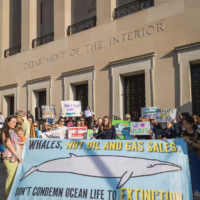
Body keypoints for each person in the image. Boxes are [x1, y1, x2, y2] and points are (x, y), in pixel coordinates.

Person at [2, 115, 22, 198]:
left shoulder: (13, 131)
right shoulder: (5, 132)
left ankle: (11, 195)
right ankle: (8, 196)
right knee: (11, 177)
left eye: (15, 122)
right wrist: (18, 155)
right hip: (10, 158)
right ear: (8, 122)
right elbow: (9, 145)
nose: (15, 124)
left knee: (14, 177)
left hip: (15, 157)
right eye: (13, 122)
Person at [180, 116, 200, 194]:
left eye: (186, 123)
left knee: (195, 175)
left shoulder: (197, 134)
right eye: (183, 123)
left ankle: (196, 192)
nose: (184, 125)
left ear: (191, 124)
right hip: (184, 157)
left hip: (194, 157)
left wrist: (190, 142)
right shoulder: (182, 133)